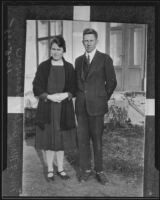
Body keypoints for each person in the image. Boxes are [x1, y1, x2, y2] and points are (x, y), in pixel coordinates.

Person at [75, 28, 117, 185]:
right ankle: (86, 170)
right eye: (86, 40)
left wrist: (102, 98)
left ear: (96, 41)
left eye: (91, 40)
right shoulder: (78, 60)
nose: (88, 43)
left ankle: (99, 171)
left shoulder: (105, 59)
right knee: (83, 140)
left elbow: (112, 82)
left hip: (97, 107)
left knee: (97, 140)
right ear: (83, 42)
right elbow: (77, 82)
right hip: (81, 107)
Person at [32, 35, 76, 182]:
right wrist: (49, 97)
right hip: (48, 108)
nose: (55, 52)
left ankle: (61, 168)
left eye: (59, 49)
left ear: (64, 50)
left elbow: (74, 87)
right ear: (50, 50)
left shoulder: (69, 67)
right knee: (49, 141)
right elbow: (36, 86)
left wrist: (65, 95)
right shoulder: (43, 66)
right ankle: (50, 169)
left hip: (63, 109)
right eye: (53, 49)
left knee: (61, 141)